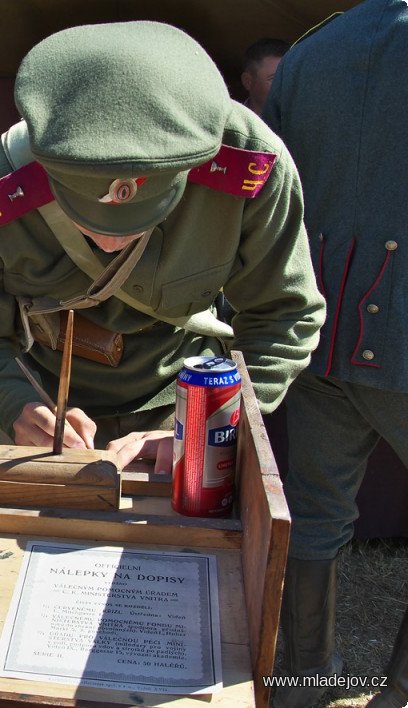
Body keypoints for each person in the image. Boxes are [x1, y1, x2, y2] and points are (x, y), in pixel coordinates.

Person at [0, 21, 324, 474]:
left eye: (144, 219)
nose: (112, 240)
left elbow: (285, 317)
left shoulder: (251, 168)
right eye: (85, 218)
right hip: (43, 409)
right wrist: (17, 407)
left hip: (192, 396)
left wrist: (207, 422)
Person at [262, 3, 408, 706]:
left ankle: (303, 681)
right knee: (315, 513)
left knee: (316, 514)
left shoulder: (316, 49)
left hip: (317, 323)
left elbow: (274, 181)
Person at [240, 37, 290, 116]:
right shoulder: (229, 123)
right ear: (247, 82)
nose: (285, 86)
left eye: (290, 78)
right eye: (274, 79)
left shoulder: (305, 122)